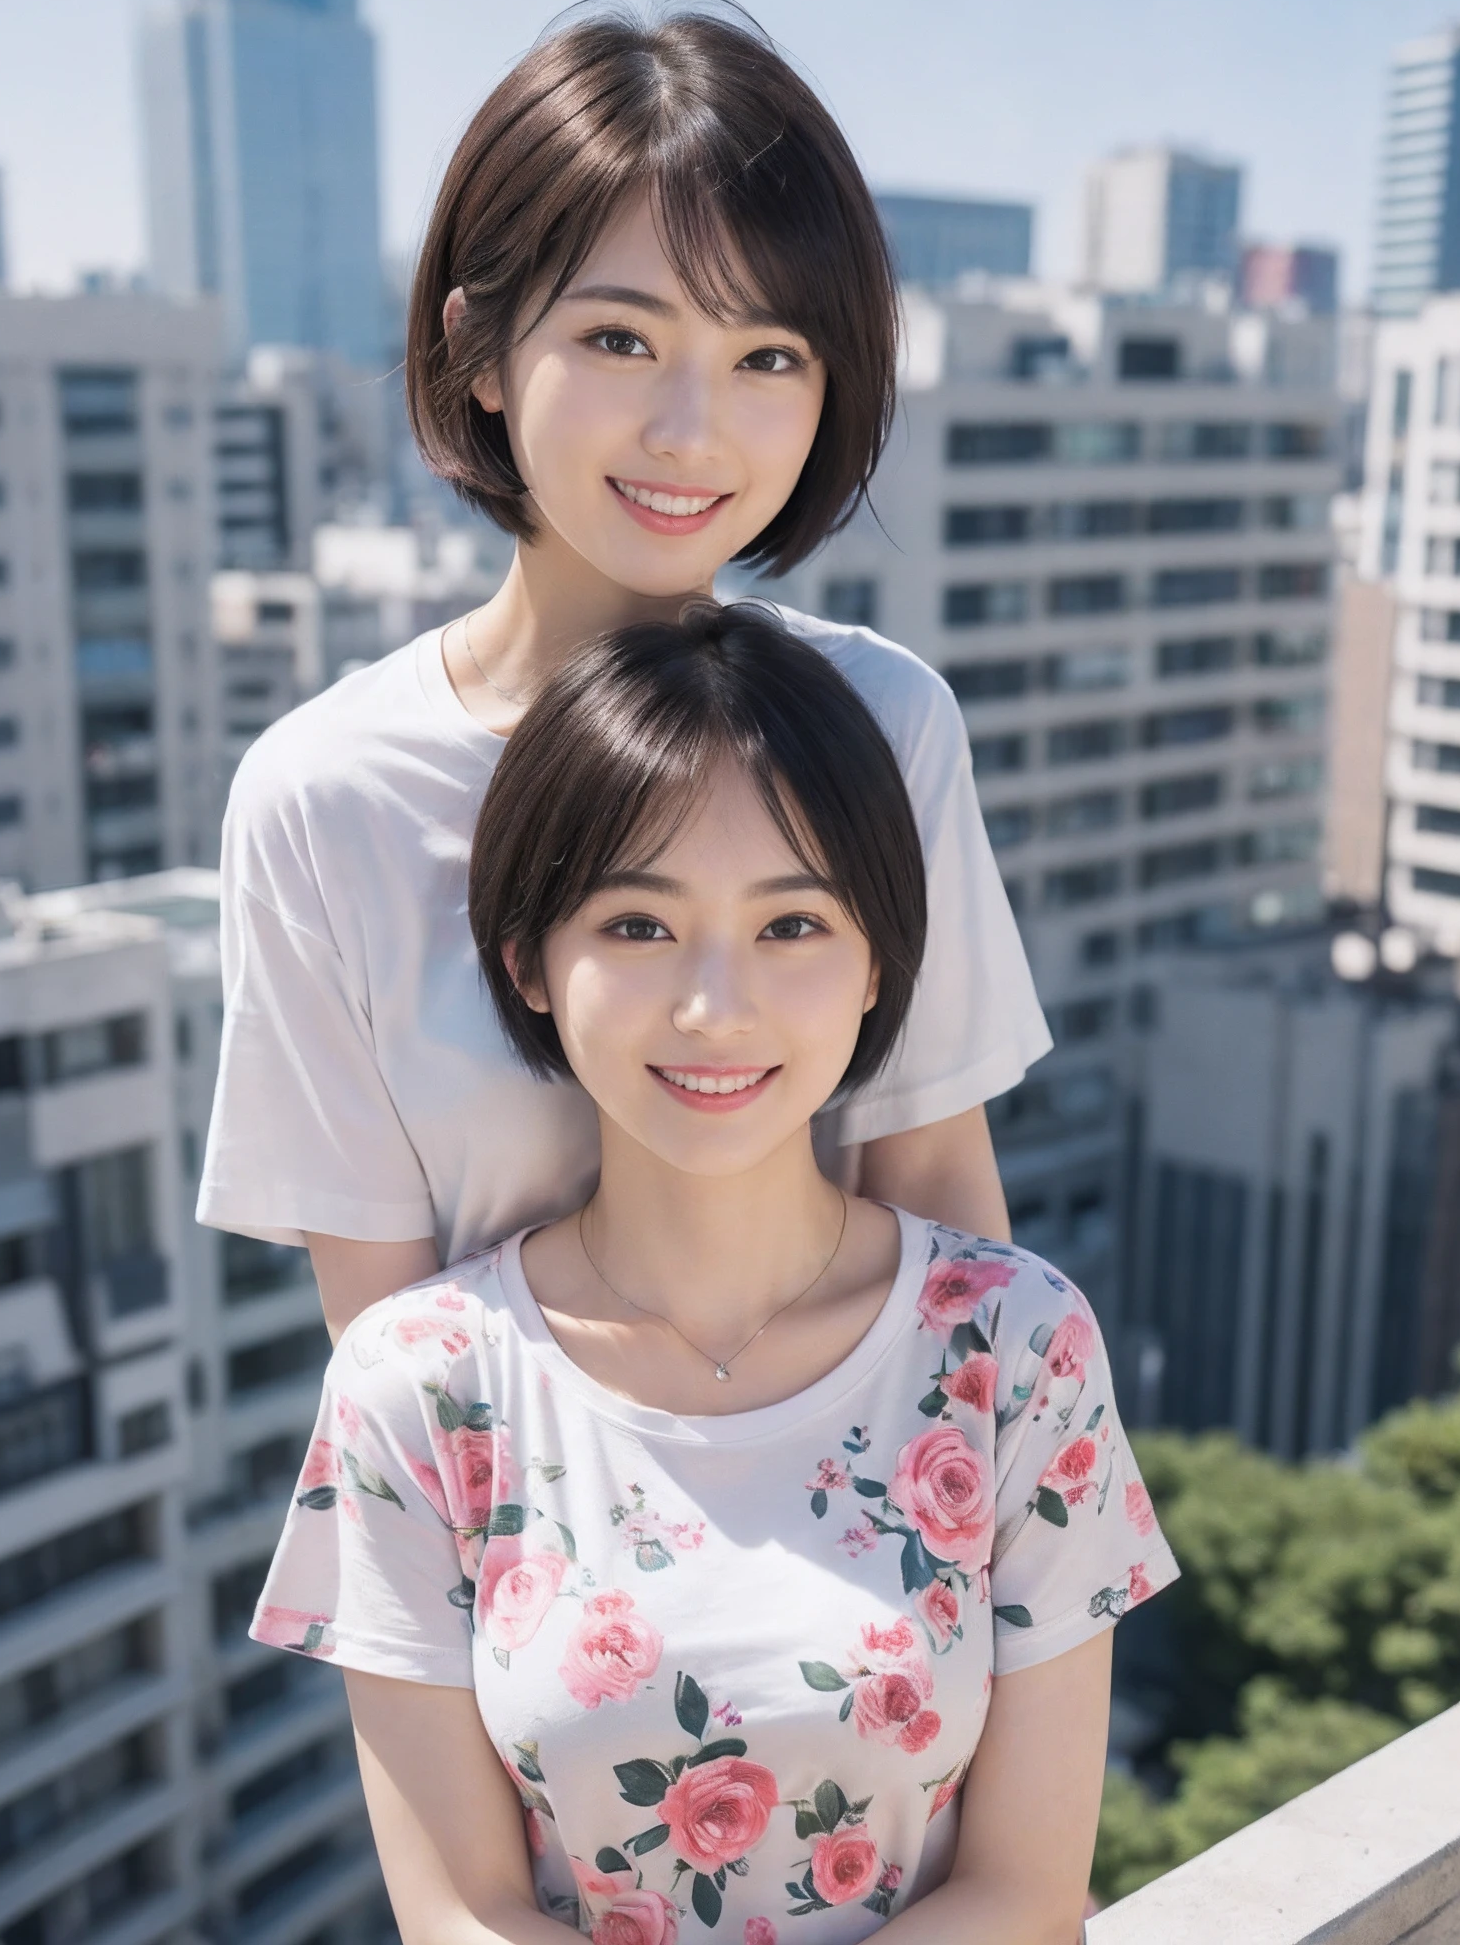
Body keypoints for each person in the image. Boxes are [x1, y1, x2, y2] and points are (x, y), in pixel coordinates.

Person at [251, 605, 1177, 1945]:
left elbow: (1028, 1895)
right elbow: (459, 1915)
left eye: (794, 925)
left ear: (878, 967)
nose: (714, 1007)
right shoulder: (417, 1388)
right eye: (637, 926)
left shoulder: (1016, 1348)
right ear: (529, 962)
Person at [197, 0, 1051, 1339]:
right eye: (620, 339)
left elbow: (940, 1191)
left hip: (861, 1513)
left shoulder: (883, 723)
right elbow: (385, 1341)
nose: (690, 431)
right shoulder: (326, 801)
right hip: (519, 1532)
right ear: (481, 350)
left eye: (766, 355)